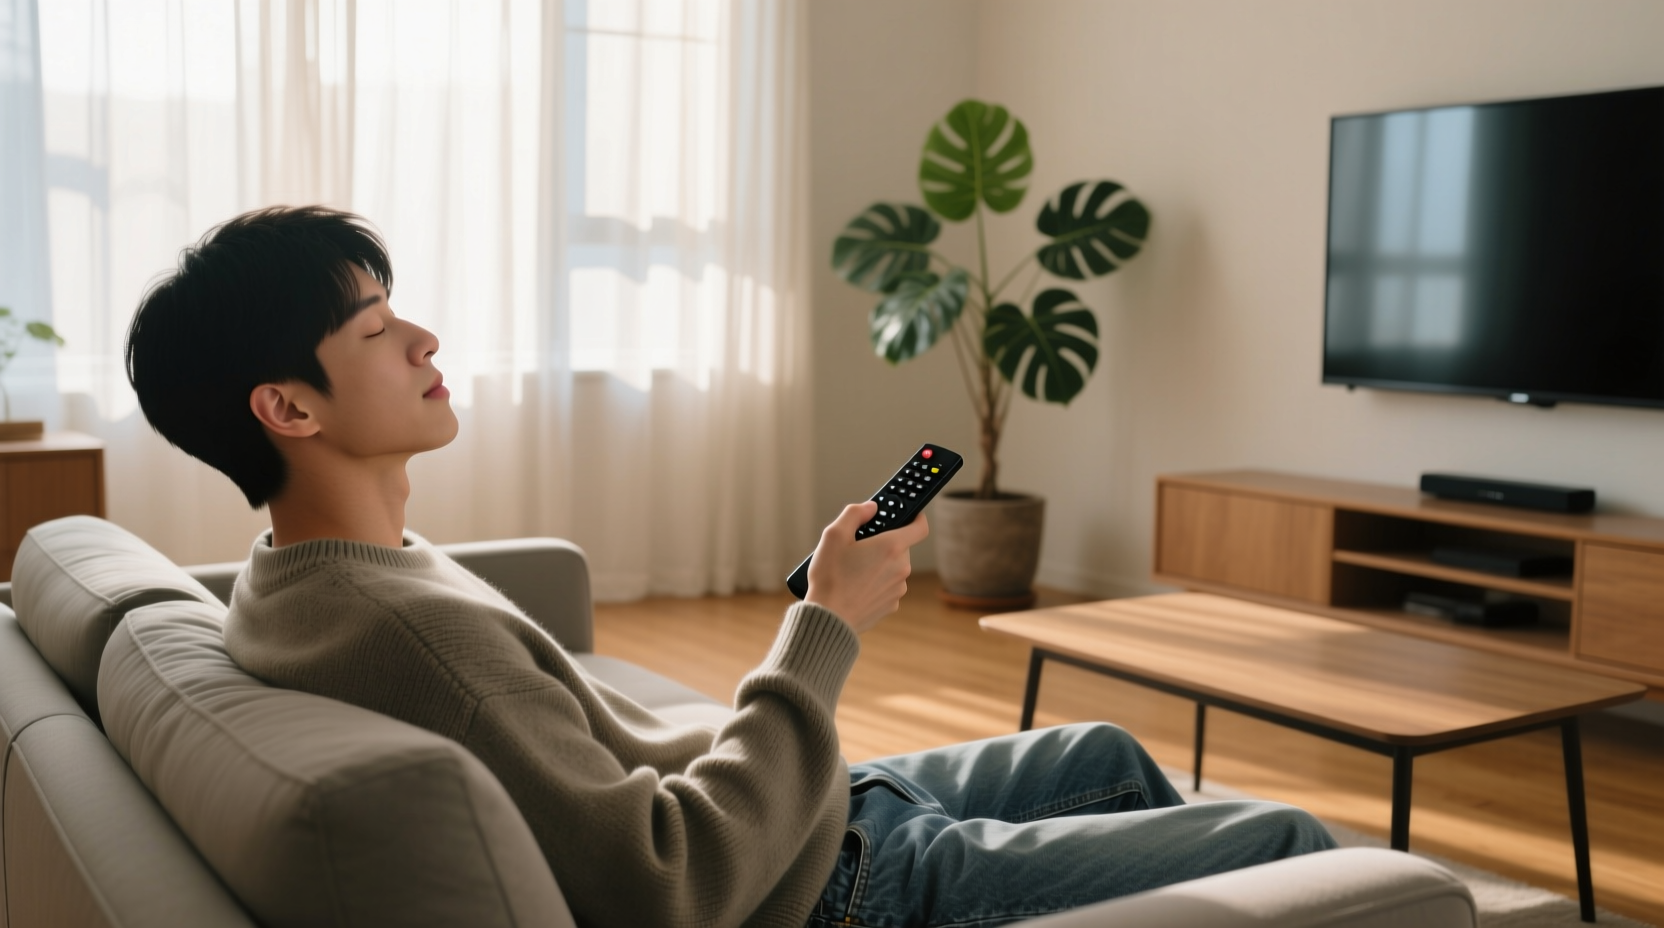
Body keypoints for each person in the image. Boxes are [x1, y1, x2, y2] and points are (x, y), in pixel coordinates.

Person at [125, 205, 1335, 928]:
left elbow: (618, 777)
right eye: (379, 331)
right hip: (831, 893)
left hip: (815, 820)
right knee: (1288, 847)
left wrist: (811, 617)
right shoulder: (400, 632)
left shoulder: (319, 568)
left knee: (1106, 755)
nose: (425, 337)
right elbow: (673, 889)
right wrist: (826, 631)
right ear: (287, 405)